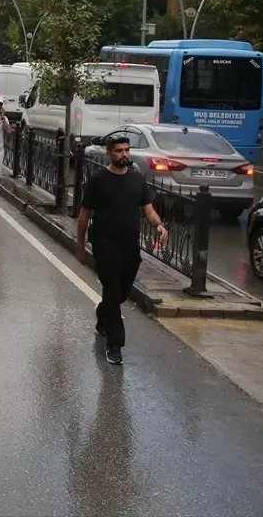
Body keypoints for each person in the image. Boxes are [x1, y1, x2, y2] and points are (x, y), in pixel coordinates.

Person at [76, 134, 168, 365]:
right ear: (109, 153)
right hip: (104, 244)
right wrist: (80, 246)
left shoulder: (137, 180)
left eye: (127, 150)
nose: (124, 154)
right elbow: (84, 215)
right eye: (119, 150)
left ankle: (102, 313)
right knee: (113, 291)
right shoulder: (98, 180)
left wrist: (158, 225)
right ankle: (115, 345)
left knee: (120, 293)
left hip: (129, 246)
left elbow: (148, 209)